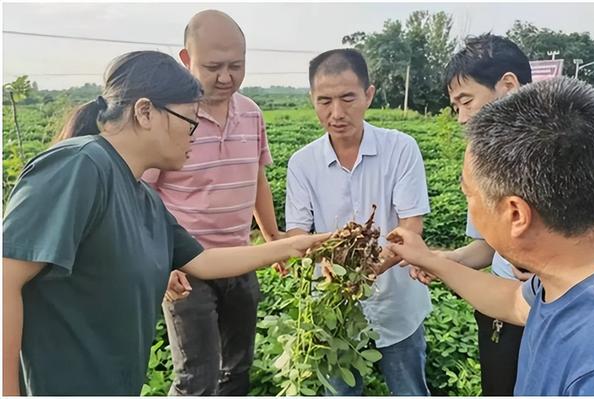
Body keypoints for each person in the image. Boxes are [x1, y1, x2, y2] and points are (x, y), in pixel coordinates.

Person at [2, 50, 328, 396]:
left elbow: (203, 261)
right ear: (145, 112)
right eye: (190, 120)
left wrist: (293, 245)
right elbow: (6, 278)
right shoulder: (81, 167)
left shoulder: (144, 197)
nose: (195, 134)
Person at [387, 76, 594, 396]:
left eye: (469, 195)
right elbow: (515, 302)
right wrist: (427, 259)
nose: (470, 206)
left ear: (516, 215)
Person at [140, 10, 282, 396]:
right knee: (196, 377)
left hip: (240, 259)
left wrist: (272, 240)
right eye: (213, 66)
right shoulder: (170, 119)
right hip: (187, 266)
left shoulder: (251, 113)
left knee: (238, 369)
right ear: (186, 60)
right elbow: (142, 195)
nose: (226, 77)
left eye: (236, 65)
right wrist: (161, 258)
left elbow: (256, 178)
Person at [285, 48, 432, 396]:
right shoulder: (302, 163)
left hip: (398, 305)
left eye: (348, 98)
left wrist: (369, 269)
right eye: (324, 101)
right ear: (312, 100)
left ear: (368, 95)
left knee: (409, 388)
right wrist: (330, 266)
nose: (336, 113)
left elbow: (412, 226)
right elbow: (296, 232)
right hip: (334, 311)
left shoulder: (401, 149)